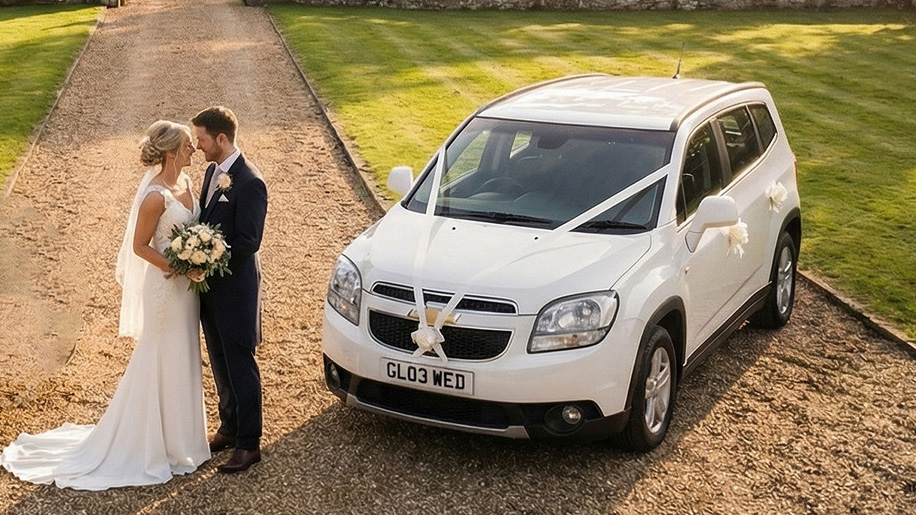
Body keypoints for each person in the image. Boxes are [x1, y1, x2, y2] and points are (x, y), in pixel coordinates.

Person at [0, 121, 210, 490]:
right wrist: (179, 267)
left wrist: (198, 261)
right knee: (161, 355)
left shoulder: (188, 185)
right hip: (165, 289)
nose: (194, 148)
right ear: (173, 151)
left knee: (184, 353)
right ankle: (147, 444)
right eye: (188, 145)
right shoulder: (155, 196)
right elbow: (140, 246)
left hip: (185, 293)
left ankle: (182, 441)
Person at [192, 106, 267, 474]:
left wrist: (205, 260)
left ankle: (249, 444)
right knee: (220, 363)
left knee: (241, 365)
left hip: (236, 291)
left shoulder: (251, 182)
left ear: (221, 139)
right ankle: (229, 426)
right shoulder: (211, 172)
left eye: (202, 139)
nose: (198, 146)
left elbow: (248, 242)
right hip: (210, 291)